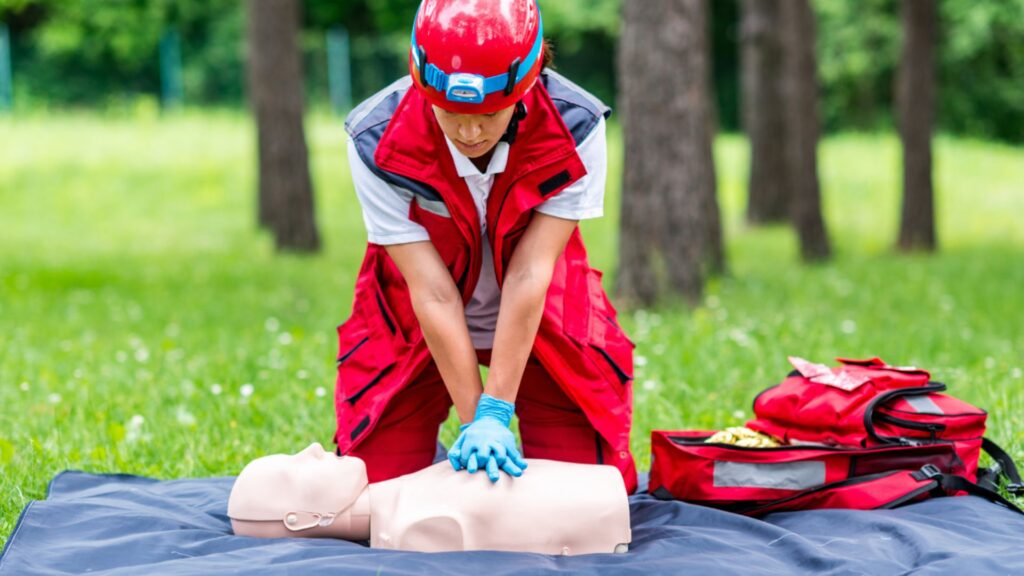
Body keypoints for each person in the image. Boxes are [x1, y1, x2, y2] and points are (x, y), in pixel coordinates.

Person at [335, 0, 637, 494]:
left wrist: (496, 413)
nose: (469, 132)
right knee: (373, 494)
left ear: (528, 84)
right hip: (413, 325)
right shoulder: (374, 139)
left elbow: (530, 273)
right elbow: (430, 292)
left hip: (545, 319)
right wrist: (475, 419)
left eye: (489, 115)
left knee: (591, 495)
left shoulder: (578, 127)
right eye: (451, 114)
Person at [227, 442, 632, 555]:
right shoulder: (423, 522)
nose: (312, 447)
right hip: (603, 509)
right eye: (295, 467)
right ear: (299, 519)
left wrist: (489, 412)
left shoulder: (410, 496)